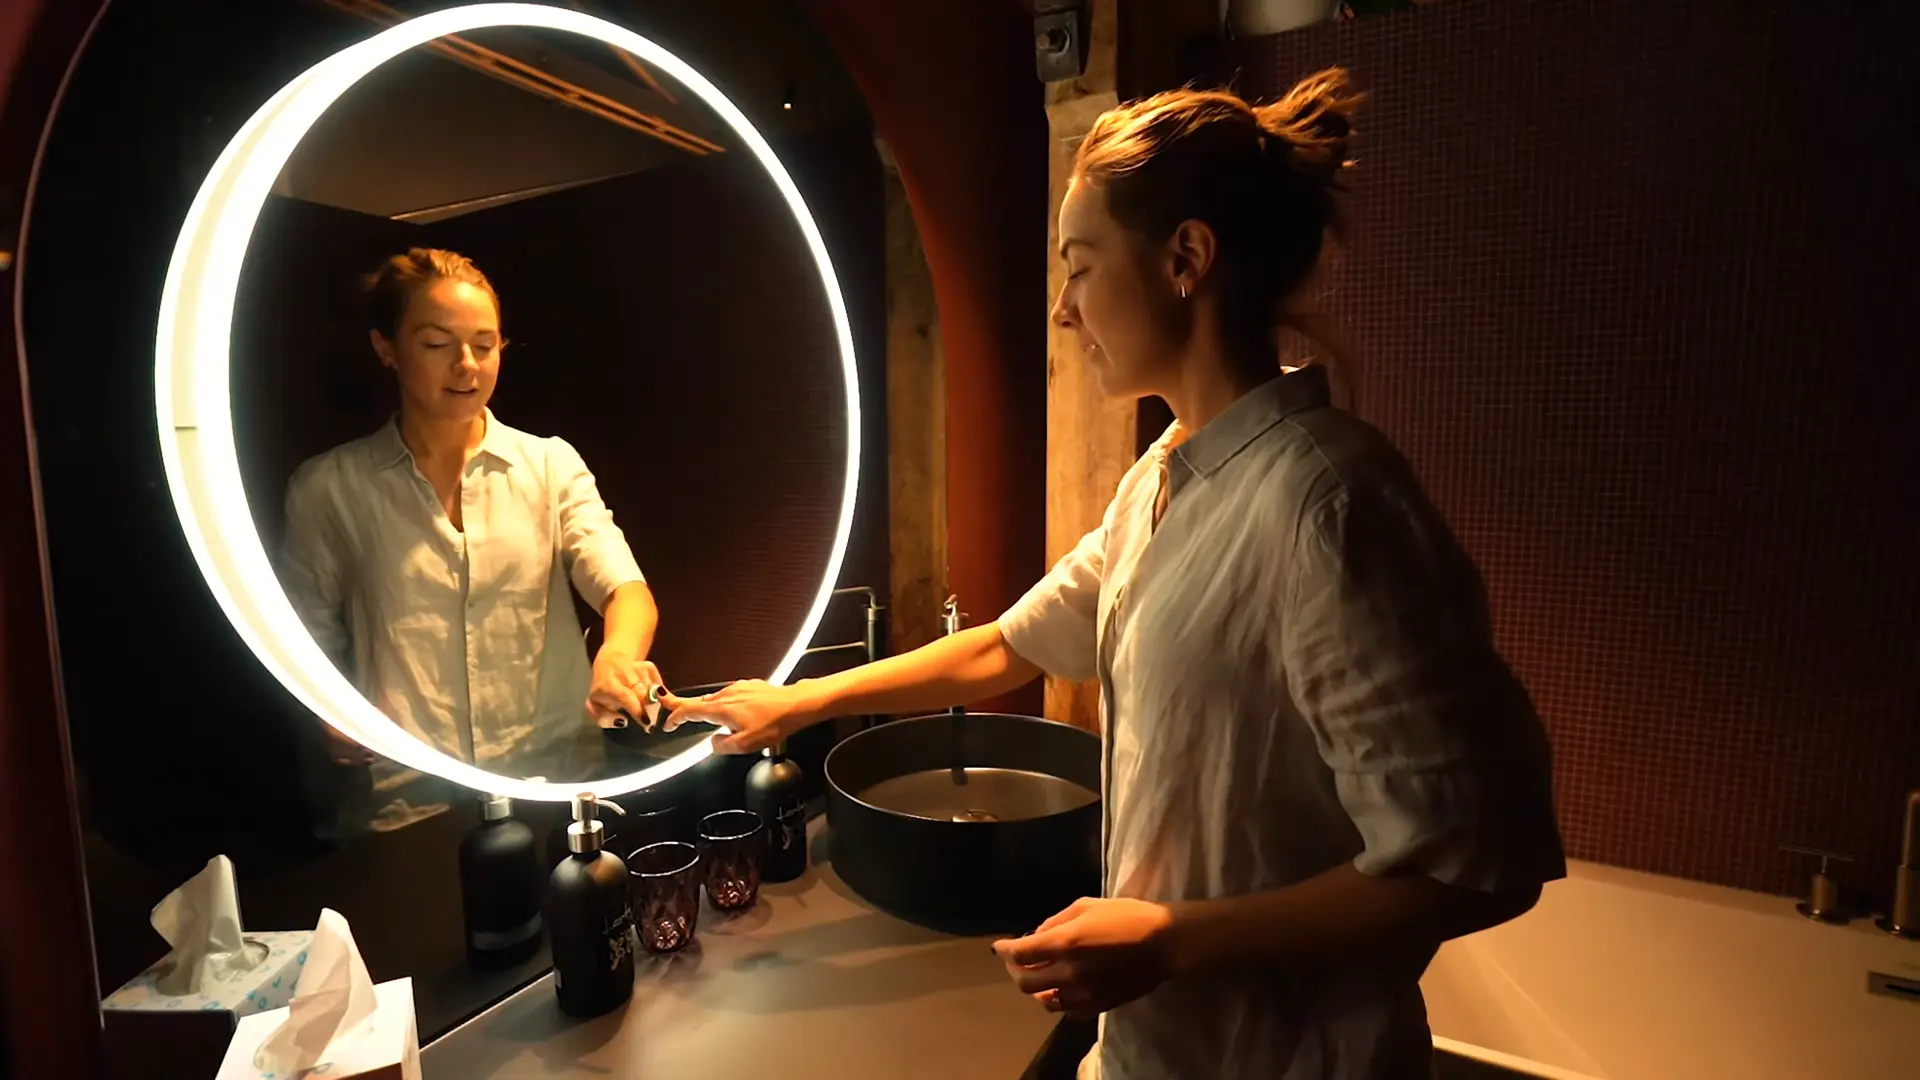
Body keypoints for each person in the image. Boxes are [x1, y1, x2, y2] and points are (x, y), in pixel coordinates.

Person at [661, 69, 1565, 1079]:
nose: (1062, 311)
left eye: (1081, 269)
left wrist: (1173, 940)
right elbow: (1005, 646)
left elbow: (1476, 864)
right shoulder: (1161, 480)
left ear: (1185, 259)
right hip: (1146, 1054)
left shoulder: (1329, 505)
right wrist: (796, 701)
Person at [280, 248, 662, 836]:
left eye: (485, 345)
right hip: (410, 801)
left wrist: (617, 658)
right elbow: (303, 643)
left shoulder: (549, 465)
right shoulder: (329, 489)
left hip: (557, 783)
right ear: (387, 348)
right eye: (437, 344)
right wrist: (328, 711)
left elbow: (624, 589)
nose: (466, 365)